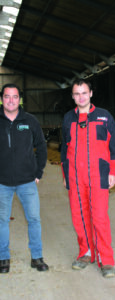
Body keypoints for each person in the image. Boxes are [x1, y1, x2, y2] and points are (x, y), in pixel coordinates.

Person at [61, 78, 115, 278]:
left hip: (99, 174)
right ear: (72, 96)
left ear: (91, 93)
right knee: (79, 216)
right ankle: (86, 253)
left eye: (84, 93)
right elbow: (64, 149)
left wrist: (113, 172)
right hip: (75, 176)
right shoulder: (68, 118)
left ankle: (106, 260)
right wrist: (65, 174)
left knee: (100, 217)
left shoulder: (104, 116)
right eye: (77, 94)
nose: (81, 97)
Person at [0, 83, 48, 273]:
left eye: (14, 96)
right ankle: (3, 258)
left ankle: (37, 257)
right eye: (6, 96)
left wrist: (38, 172)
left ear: (20, 98)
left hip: (27, 181)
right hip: (2, 182)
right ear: (2, 98)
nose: (10, 100)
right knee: (2, 220)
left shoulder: (30, 120)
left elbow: (42, 147)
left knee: (34, 219)